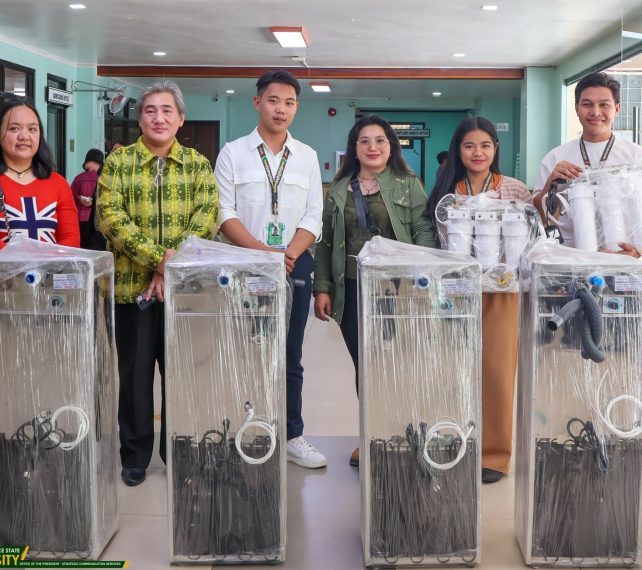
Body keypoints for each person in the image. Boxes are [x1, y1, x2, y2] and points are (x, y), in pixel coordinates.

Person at [97, 81, 218, 487]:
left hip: (185, 293)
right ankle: (134, 456)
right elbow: (110, 219)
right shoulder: (119, 163)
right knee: (134, 377)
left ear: (181, 119)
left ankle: (177, 452)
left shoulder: (198, 165)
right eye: (150, 110)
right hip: (131, 291)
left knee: (181, 375)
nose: (159, 118)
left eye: (167, 110)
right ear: (140, 119)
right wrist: (160, 261)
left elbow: (206, 219)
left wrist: (169, 268)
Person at [214, 70, 326, 469]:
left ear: (296, 108)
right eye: (274, 100)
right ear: (257, 102)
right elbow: (224, 213)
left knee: (290, 353)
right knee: (245, 351)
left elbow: (314, 214)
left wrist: (287, 253)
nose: (281, 109)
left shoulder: (307, 156)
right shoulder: (233, 153)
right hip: (245, 264)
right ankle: (245, 430)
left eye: (289, 102)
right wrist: (264, 254)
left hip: (294, 262)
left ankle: (292, 434)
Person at [313, 115, 437, 467]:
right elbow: (325, 243)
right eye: (365, 141)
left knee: (400, 363)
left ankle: (406, 432)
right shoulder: (339, 190)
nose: (373, 147)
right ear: (354, 148)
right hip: (352, 290)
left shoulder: (408, 184)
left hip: (398, 289)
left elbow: (423, 231)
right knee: (365, 365)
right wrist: (322, 287)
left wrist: (422, 275)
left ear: (390, 146)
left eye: (380, 140)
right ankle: (371, 437)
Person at [0, 99, 80, 452]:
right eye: (14, 128)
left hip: (50, 298)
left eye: (32, 129)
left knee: (44, 372)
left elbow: (69, 239)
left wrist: (47, 276)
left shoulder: (57, 183)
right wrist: (34, 271)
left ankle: (41, 448)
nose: (24, 136)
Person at [428, 116, 534, 484]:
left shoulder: (514, 189)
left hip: (502, 293)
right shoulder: (448, 189)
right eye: (469, 145)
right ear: (458, 150)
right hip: (457, 290)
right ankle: (455, 441)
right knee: (455, 369)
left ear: (495, 148)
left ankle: (495, 455)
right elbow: (436, 239)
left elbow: (533, 235)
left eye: (485, 145)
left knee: (497, 372)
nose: (478, 152)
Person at [533, 72, 642, 257]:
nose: (595, 112)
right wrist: (551, 186)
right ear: (576, 108)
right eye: (587, 104)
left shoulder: (638, 158)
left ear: (617, 108)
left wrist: (637, 252)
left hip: (624, 262)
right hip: (569, 261)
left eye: (604, 104)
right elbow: (542, 219)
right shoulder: (556, 158)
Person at [71, 148, 106, 251]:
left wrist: (79, 198)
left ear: (90, 161)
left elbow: (71, 198)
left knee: (82, 248)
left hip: (81, 218)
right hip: (99, 222)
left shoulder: (79, 178)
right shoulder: (105, 178)